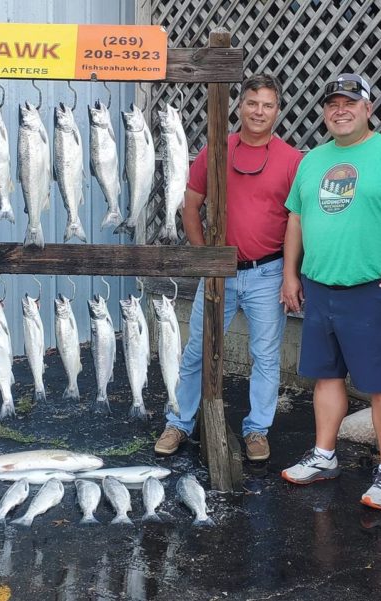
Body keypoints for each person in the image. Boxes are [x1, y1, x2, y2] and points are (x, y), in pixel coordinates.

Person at [280, 73, 381, 510]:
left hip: (374, 289)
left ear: (368, 107)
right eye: (332, 103)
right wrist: (290, 274)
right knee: (325, 377)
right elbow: (296, 219)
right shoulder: (312, 160)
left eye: (350, 102)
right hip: (320, 287)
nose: (340, 109)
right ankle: (324, 455)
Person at [154, 74, 303, 461]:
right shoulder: (216, 151)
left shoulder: (291, 160)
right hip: (219, 271)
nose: (259, 111)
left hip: (267, 272)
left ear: (277, 110)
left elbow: (296, 223)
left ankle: (257, 430)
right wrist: (205, 258)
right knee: (197, 351)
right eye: (252, 103)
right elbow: (190, 206)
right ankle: (179, 422)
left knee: (266, 356)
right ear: (240, 106)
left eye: (267, 105)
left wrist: (290, 273)